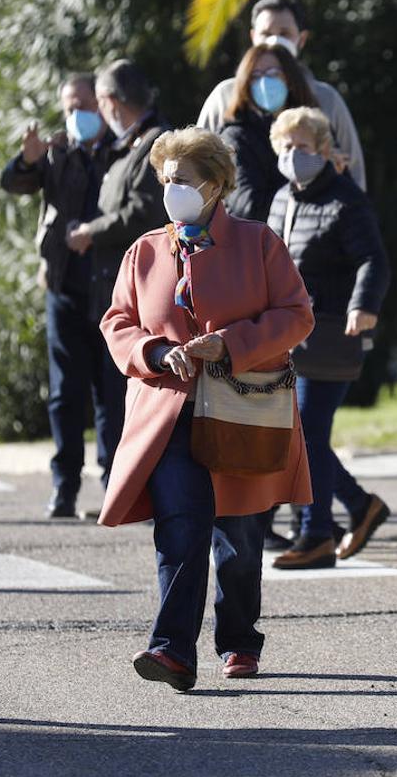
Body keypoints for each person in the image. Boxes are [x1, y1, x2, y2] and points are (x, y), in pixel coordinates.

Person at [98, 127, 314, 690]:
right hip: (167, 413)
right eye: (165, 181)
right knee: (181, 529)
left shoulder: (258, 242)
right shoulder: (144, 250)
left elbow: (296, 315)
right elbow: (117, 322)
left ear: (216, 186)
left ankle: (239, 638)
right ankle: (171, 650)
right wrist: (154, 351)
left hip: (241, 410)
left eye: (183, 182)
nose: (171, 191)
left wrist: (232, 344)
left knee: (239, 539)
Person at [265, 108, 392, 569]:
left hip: (334, 331)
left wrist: (364, 305)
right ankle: (357, 507)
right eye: (285, 146)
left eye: (302, 146)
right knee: (302, 432)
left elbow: (373, 259)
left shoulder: (346, 199)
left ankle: (316, 533)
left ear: (323, 149)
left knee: (306, 431)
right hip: (288, 334)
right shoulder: (282, 198)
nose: (292, 155)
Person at [0, 73, 126, 520]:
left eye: (83, 105)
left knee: (112, 392)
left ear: (104, 104)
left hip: (113, 292)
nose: (76, 115)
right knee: (64, 394)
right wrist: (25, 160)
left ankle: (116, 484)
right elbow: (13, 183)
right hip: (64, 287)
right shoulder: (55, 152)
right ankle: (64, 487)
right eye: (69, 107)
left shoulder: (124, 150)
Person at [197, 0, 367, 190]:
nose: (274, 41)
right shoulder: (224, 95)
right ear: (253, 37)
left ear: (301, 39)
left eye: (285, 33)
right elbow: (199, 160)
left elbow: (353, 171)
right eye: (266, 33)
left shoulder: (327, 99)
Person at [69, 60, 169, 321]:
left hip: (143, 295)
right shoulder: (130, 145)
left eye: (99, 103)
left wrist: (92, 231)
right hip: (120, 290)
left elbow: (143, 213)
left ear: (111, 101)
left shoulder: (156, 144)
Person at [219, 43, 318, 223]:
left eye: (273, 73)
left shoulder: (315, 128)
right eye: (255, 76)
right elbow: (249, 208)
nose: (264, 82)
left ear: (290, 79)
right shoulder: (235, 138)